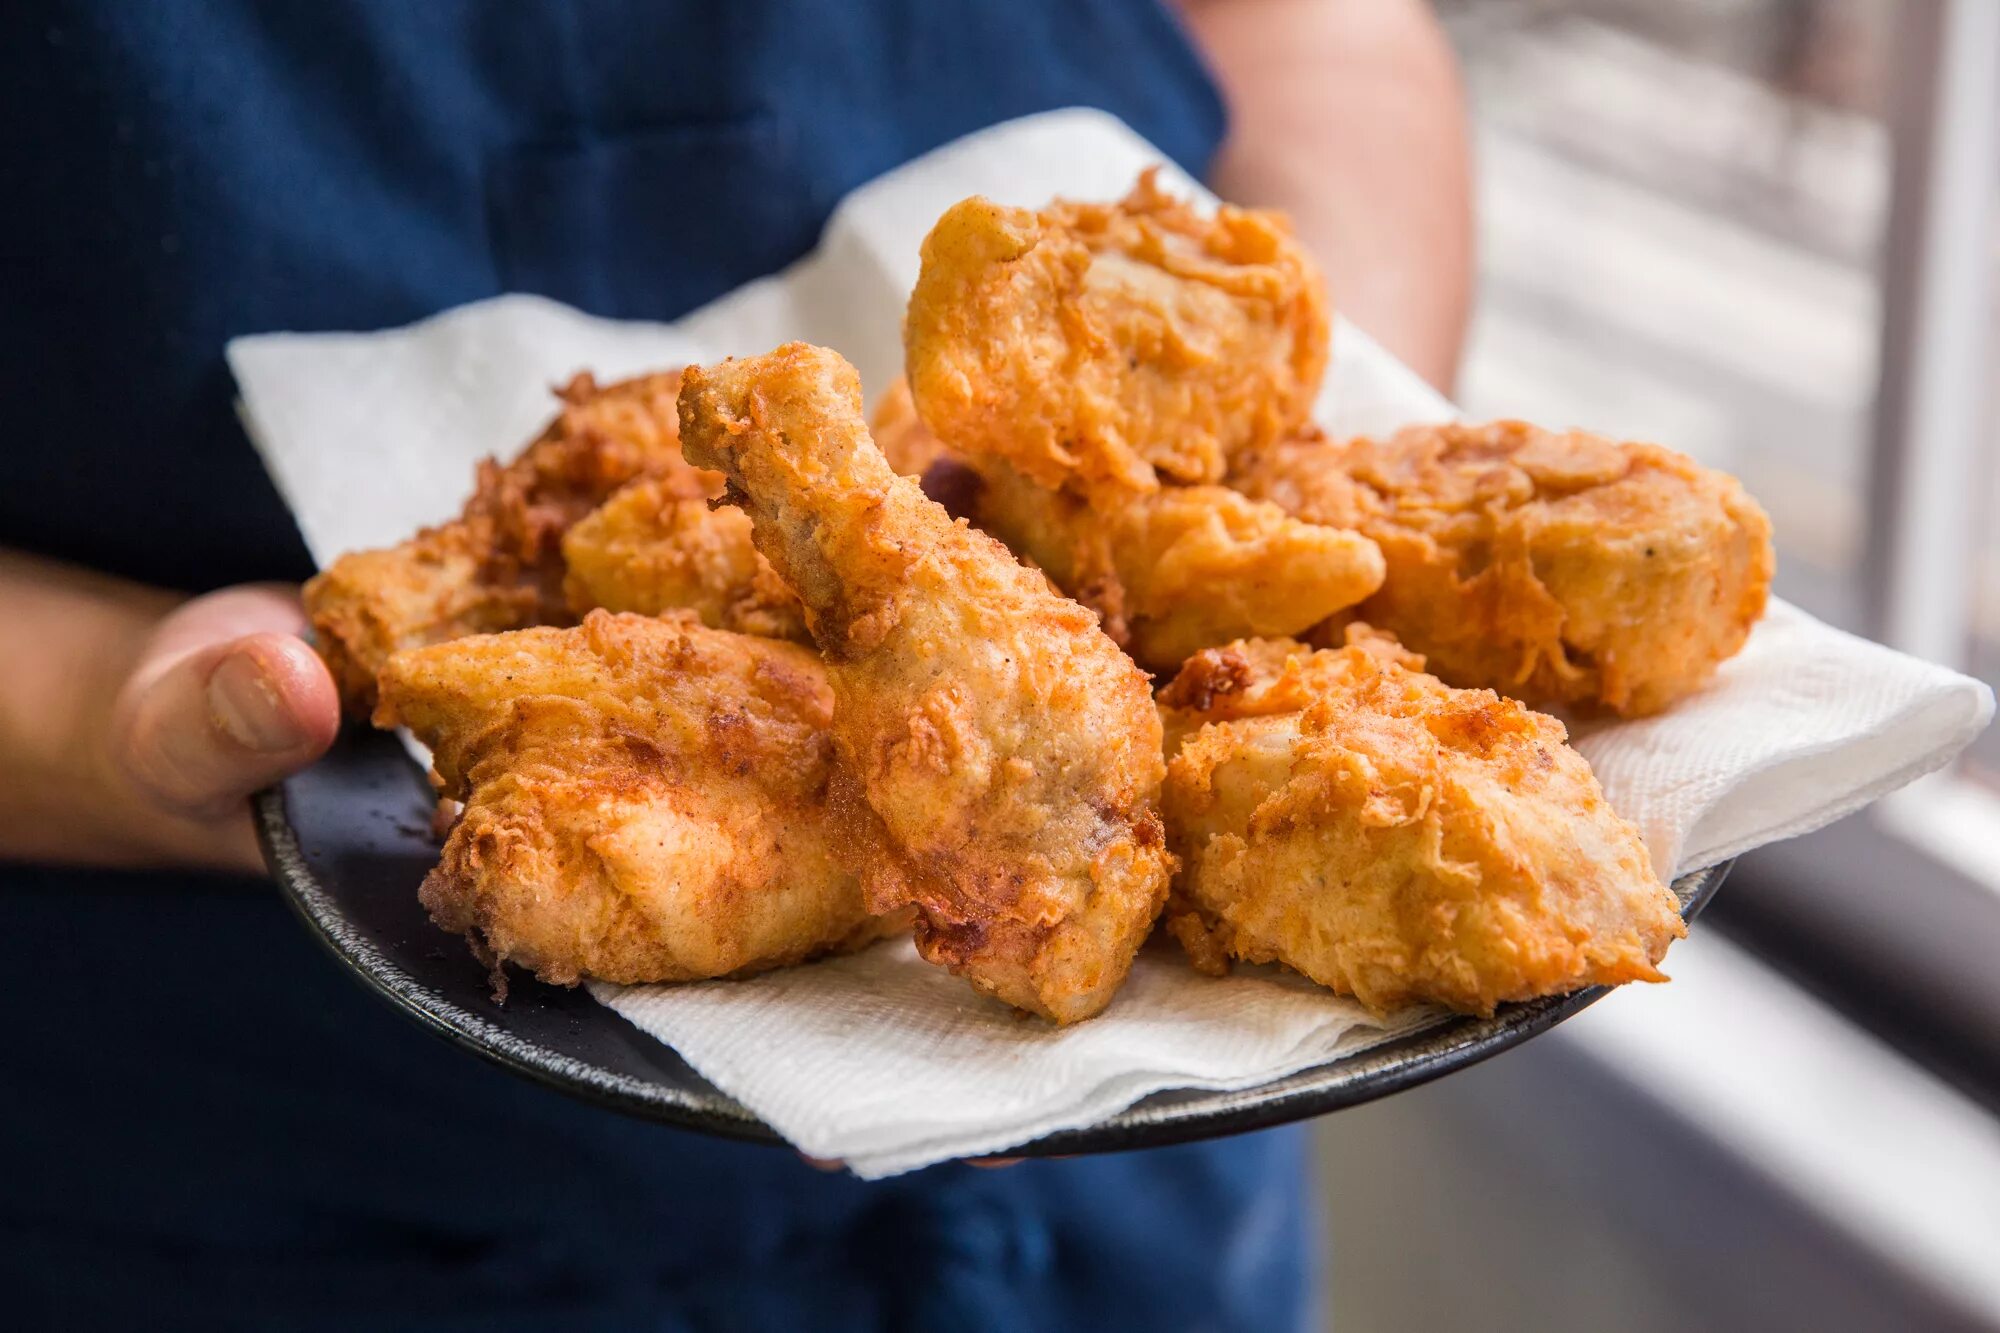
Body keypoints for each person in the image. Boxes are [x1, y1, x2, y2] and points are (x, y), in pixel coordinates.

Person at [0, 2, 1471, 1327]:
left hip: (1145, 1192)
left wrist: (1317, 449)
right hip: (268, 1181)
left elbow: (1319, 30)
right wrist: (91, 707)